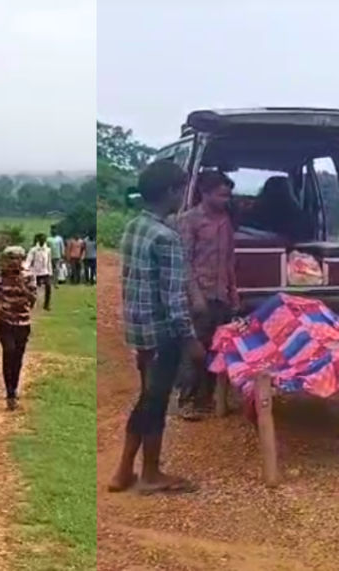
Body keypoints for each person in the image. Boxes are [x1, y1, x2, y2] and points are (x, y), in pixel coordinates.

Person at [107, 160, 205, 495]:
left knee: (146, 399)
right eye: (181, 189)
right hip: (163, 335)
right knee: (156, 403)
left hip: (139, 332)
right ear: (171, 192)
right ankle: (150, 473)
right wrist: (191, 341)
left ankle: (124, 472)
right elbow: (174, 300)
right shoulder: (167, 237)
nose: (183, 196)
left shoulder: (135, 227)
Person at [175, 171, 240, 420]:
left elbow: (229, 261)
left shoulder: (226, 221)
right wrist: (196, 297)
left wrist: (233, 293)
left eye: (228, 195)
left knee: (216, 348)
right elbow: (185, 263)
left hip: (220, 295)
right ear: (205, 193)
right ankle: (187, 400)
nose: (226, 199)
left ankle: (206, 398)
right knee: (194, 348)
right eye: (221, 194)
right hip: (199, 296)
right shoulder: (189, 221)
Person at [0, 247, 38, 411]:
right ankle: (10, 393)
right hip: (5, 322)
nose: (13, 262)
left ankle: (14, 386)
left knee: (18, 358)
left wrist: (22, 286)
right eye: (10, 258)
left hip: (23, 324)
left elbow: (33, 300)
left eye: (17, 258)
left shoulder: (29, 277)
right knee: (8, 352)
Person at [26, 233, 53, 311]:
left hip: (45, 272)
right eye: (41, 239)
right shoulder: (33, 250)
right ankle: (31, 303)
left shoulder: (48, 250)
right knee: (33, 289)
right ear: (38, 240)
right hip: (35, 272)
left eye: (44, 239)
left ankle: (46, 305)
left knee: (48, 287)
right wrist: (26, 268)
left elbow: (49, 262)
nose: (43, 240)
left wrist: (50, 272)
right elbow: (29, 260)